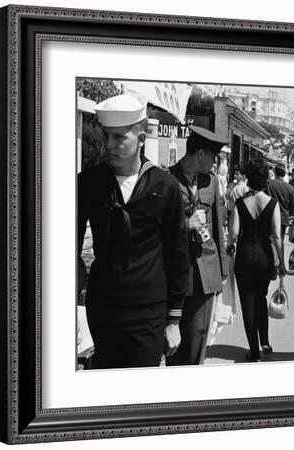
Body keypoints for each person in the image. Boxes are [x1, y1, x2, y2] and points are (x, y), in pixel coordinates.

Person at [77, 94, 189, 369]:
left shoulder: (165, 186)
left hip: (148, 313)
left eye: (119, 137)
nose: (109, 145)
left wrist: (173, 320)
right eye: (106, 136)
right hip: (103, 308)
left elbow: (178, 257)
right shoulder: (89, 183)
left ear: (141, 138)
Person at [166, 125, 229, 365]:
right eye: (212, 157)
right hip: (177, 275)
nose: (214, 163)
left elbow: (218, 228)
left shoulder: (211, 183)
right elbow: (160, 228)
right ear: (200, 154)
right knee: (173, 344)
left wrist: (222, 272)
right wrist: (185, 224)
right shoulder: (168, 179)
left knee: (198, 338)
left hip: (206, 272)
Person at [227, 158, 285, 362]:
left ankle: (253, 350)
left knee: (247, 302)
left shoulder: (240, 203)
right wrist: (282, 262)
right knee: (260, 297)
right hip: (264, 256)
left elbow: (233, 234)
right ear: (265, 180)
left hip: (244, 255)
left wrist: (228, 248)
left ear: (249, 178)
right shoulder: (272, 203)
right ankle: (265, 341)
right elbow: (277, 236)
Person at [267, 165, 294, 260]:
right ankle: (280, 261)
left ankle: (271, 260)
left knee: (268, 239)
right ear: (284, 174)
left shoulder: (268, 184)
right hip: (283, 217)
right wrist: (292, 217)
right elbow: (292, 206)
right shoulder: (290, 188)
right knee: (280, 239)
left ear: (275, 172)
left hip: (269, 215)